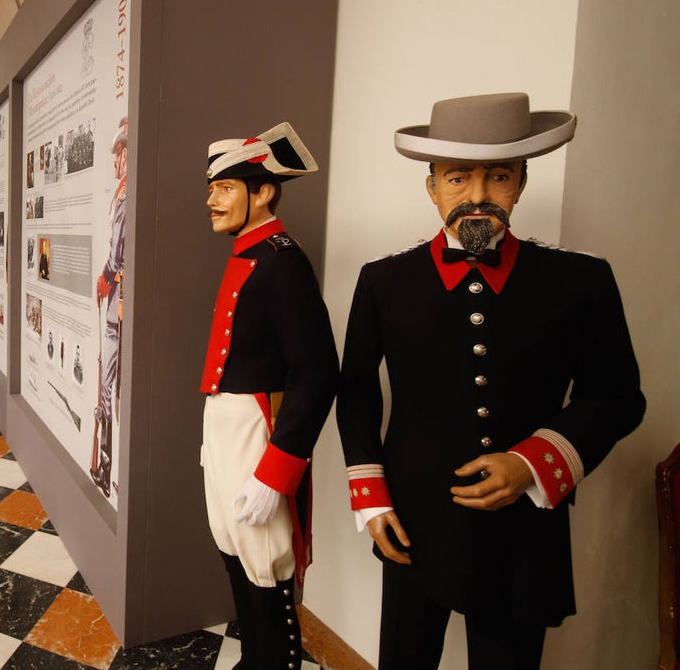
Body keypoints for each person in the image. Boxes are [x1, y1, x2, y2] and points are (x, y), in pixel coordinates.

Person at [336, 93, 646, 670]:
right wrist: (369, 498)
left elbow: (619, 396)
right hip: (414, 523)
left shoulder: (582, 282)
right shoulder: (383, 282)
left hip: (525, 533)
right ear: (431, 187)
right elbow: (355, 391)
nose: (477, 196)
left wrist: (534, 461)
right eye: (457, 178)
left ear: (522, 182)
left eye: (498, 176)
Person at [199, 121, 339, 669]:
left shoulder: (283, 260)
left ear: (264, 192)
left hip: (259, 429)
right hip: (230, 426)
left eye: (226, 188)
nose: (212, 200)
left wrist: (277, 469)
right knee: (233, 550)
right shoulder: (250, 252)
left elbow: (318, 370)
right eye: (212, 188)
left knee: (265, 562)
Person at [90, 117, 128, 496]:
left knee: (110, 387)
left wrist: (106, 277)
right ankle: (107, 467)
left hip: (121, 301)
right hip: (120, 299)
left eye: (118, 152)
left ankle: (107, 467)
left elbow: (118, 249)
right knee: (112, 387)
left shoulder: (127, 192)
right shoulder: (123, 190)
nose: (115, 160)